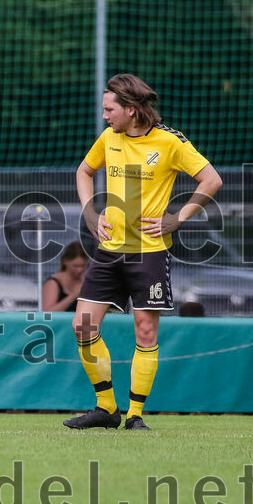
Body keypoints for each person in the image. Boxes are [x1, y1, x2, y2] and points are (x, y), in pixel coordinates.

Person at [66, 73, 223, 431]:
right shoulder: (109, 138)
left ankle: (135, 415)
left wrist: (177, 218)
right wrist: (90, 211)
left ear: (132, 109)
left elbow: (211, 179)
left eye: (110, 109)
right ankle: (106, 408)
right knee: (82, 326)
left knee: (145, 332)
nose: (105, 116)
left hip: (149, 252)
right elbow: (84, 171)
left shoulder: (170, 142)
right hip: (108, 250)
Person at [42, 242, 89, 312]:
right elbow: (47, 313)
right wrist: (73, 296)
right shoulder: (54, 283)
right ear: (65, 261)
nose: (79, 270)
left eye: (83, 266)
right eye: (75, 266)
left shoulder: (87, 283)